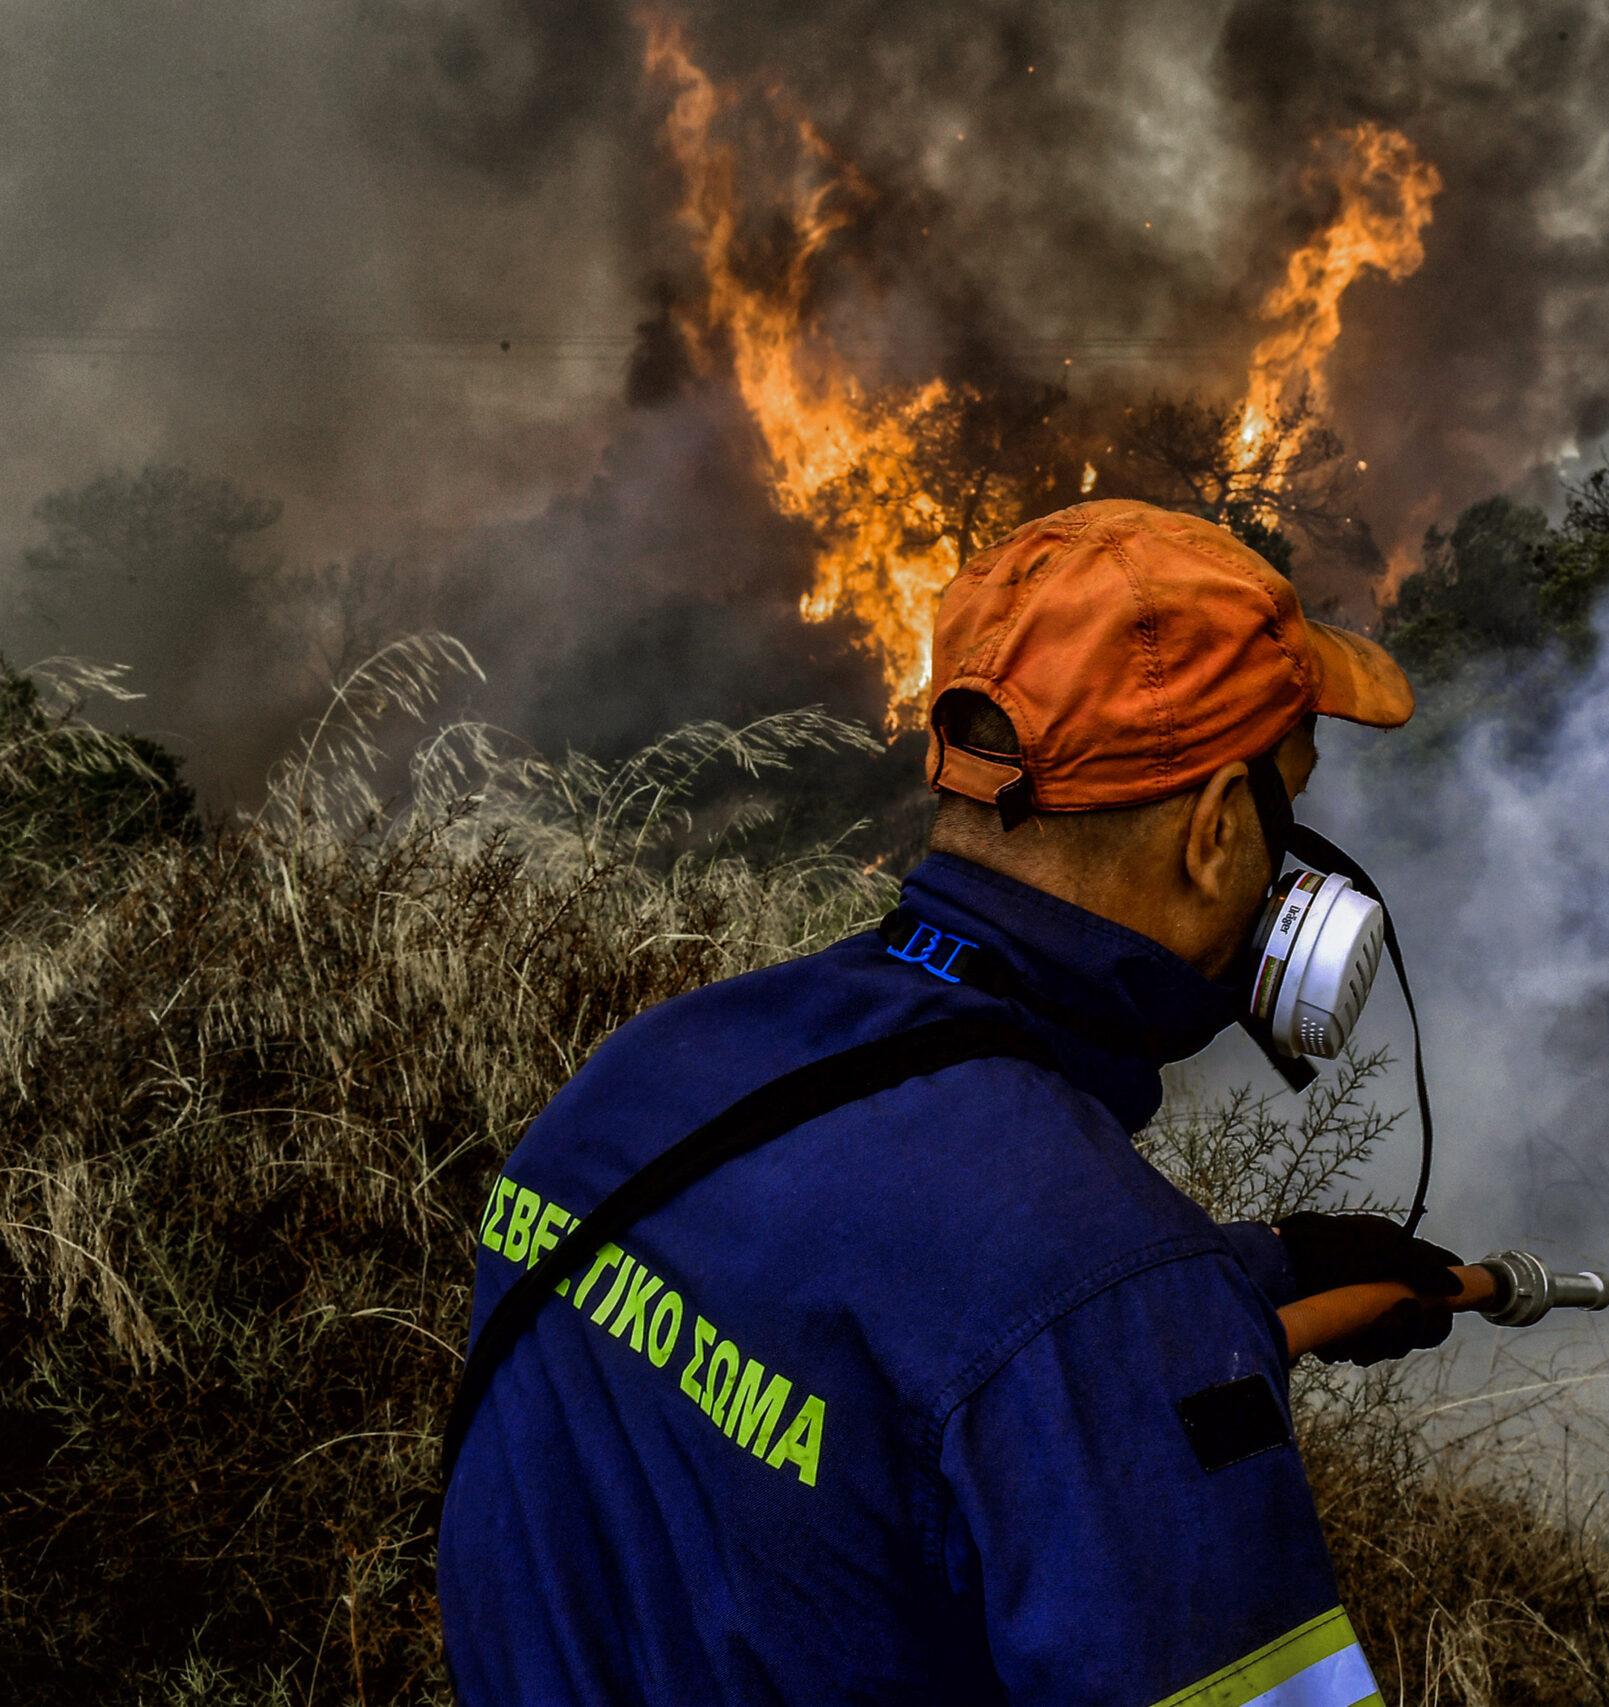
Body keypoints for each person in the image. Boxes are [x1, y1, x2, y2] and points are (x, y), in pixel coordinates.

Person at [440, 499, 1462, 1704]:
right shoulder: (1103, 1302)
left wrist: (1244, 1274)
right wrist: (1161, 1323)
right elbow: (1028, 1318)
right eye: (1290, 806)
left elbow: (856, 1302)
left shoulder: (651, 1072)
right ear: (1215, 831)